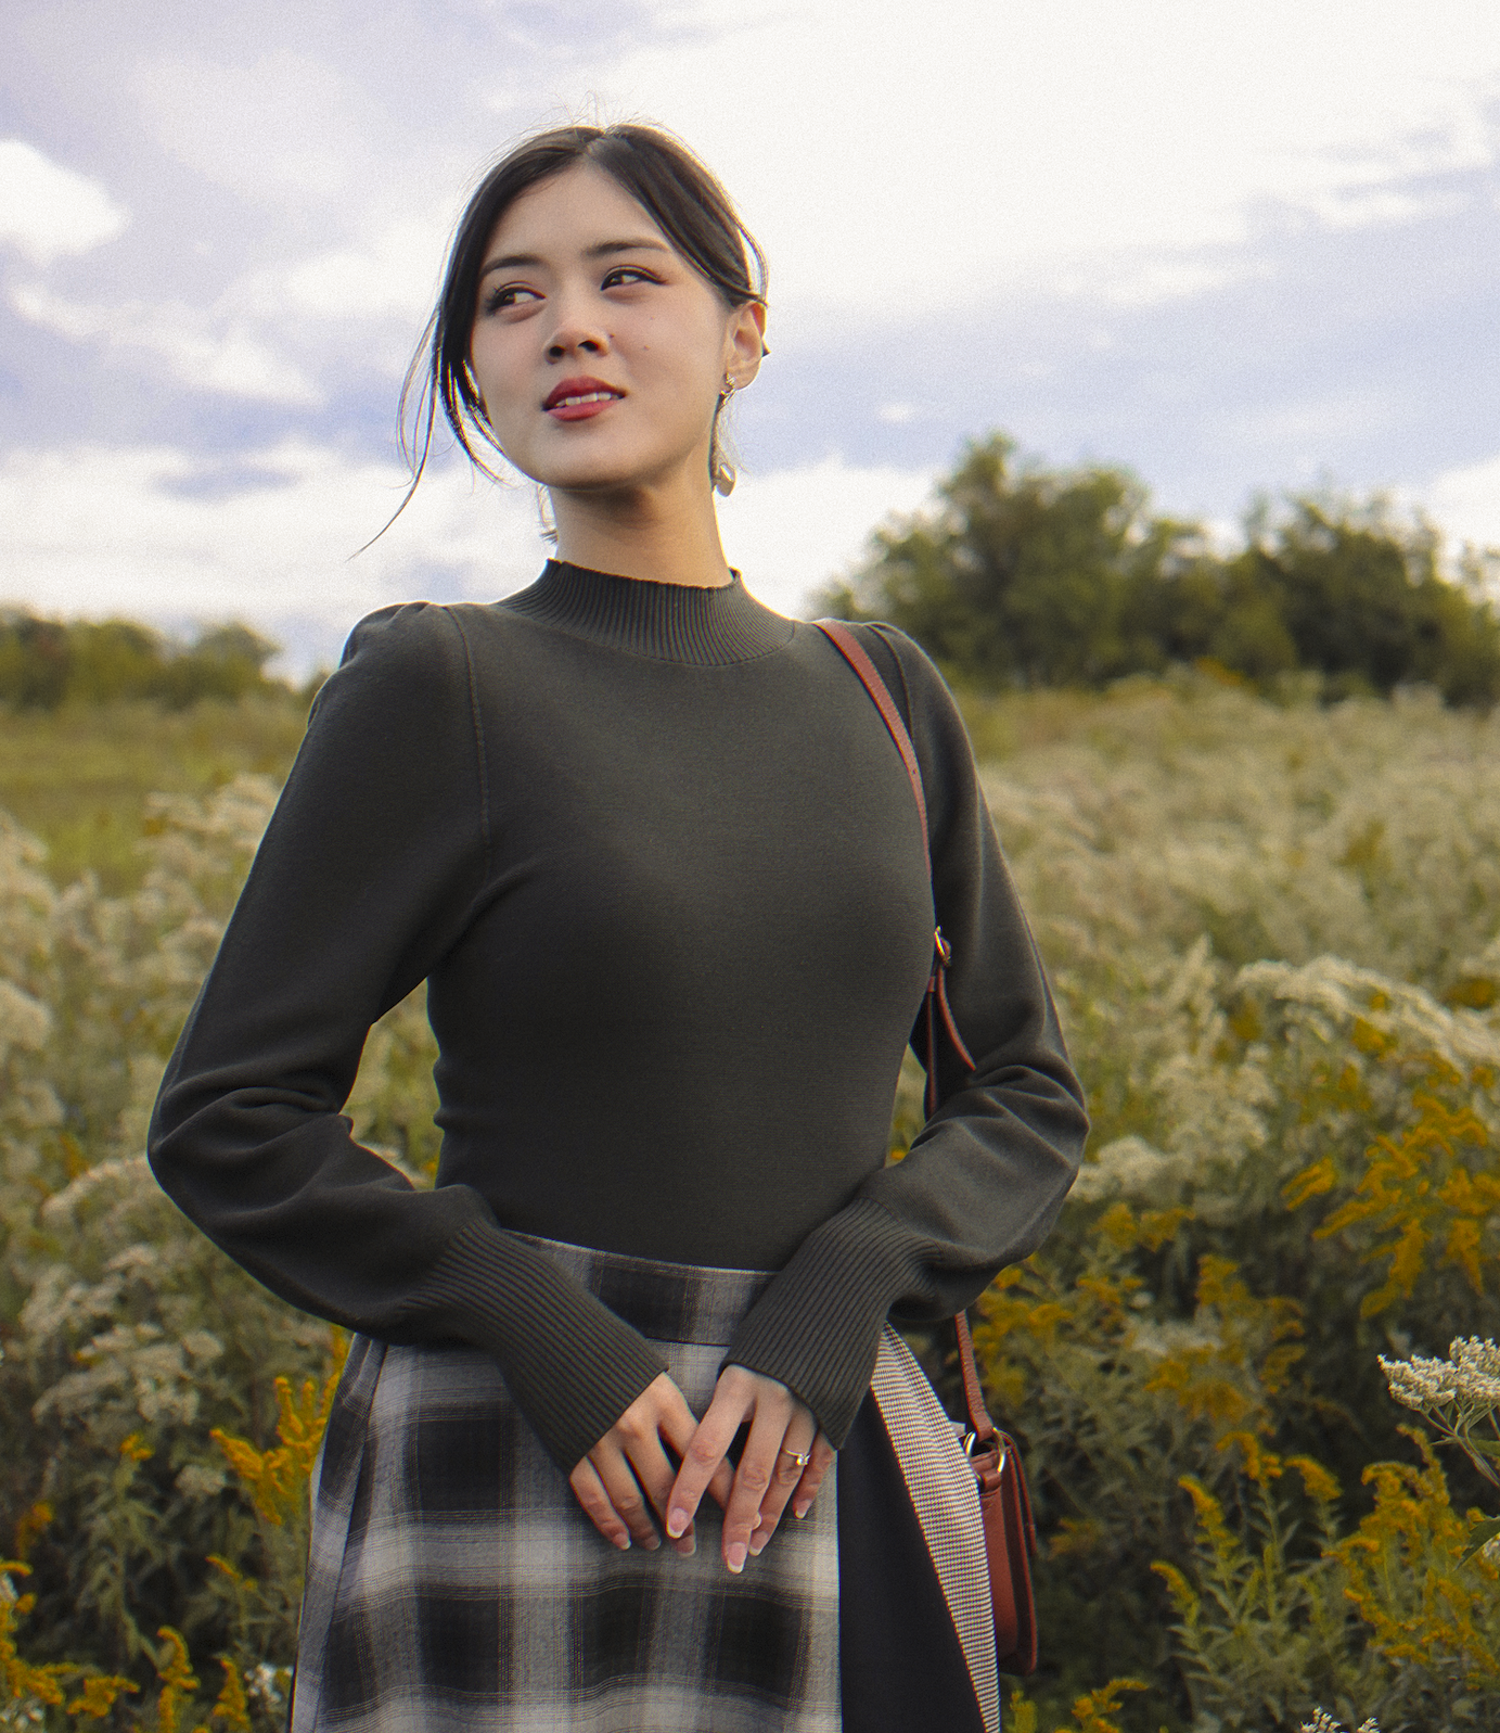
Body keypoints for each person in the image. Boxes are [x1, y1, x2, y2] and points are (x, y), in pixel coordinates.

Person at [147, 122, 1089, 1733]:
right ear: (479, 377)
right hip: (536, 1456)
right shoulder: (440, 683)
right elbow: (230, 1119)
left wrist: (846, 1288)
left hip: (833, 1444)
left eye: (624, 277)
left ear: (743, 331)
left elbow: (1023, 1093)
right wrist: (529, 1320)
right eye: (510, 302)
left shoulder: (883, 693)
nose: (567, 325)